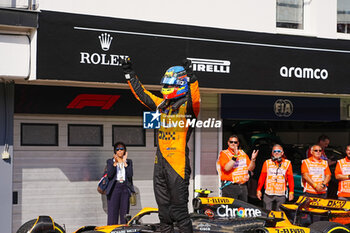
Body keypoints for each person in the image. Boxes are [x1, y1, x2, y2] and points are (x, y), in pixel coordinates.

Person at [121, 58, 200, 232]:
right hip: (160, 164)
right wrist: (129, 73)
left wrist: (192, 78)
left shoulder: (188, 107)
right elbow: (142, 94)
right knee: (164, 214)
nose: (166, 88)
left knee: (179, 212)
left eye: (169, 85)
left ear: (180, 85)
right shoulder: (162, 105)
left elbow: (195, 99)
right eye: (165, 84)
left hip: (178, 165)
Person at [217, 135, 259, 202]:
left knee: (242, 210)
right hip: (230, 186)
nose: (233, 144)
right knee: (230, 209)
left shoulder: (242, 153)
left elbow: (250, 168)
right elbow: (227, 168)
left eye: (235, 142)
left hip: (243, 186)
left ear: (238, 143)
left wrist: (253, 160)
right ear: (228, 143)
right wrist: (235, 156)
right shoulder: (224, 153)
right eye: (231, 142)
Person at [256, 144, 294, 211]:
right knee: (267, 214)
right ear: (272, 153)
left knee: (279, 215)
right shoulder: (267, 162)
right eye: (274, 151)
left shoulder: (287, 163)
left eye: (279, 151)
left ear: (282, 153)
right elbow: (262, 177)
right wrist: (259, 190)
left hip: (281, 194)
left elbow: (290, 179)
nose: (276, 153)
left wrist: (291, 192)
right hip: (268, 194)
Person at [106, 142, 135, 225]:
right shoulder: (110, 161)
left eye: (121, 149)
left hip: (125, 188)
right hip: (114, 188)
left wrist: (125, 163)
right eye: (117, 149)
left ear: (125, 151)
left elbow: (130, 175)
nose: (120, 151)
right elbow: (110, 175)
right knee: (112, 213)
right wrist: (115, 163)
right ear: (115, 151)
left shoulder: (129, 162)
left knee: (125, 214)